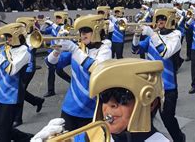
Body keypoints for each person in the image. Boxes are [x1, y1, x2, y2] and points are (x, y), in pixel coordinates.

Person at [31, 58, 168, 142]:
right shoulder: (91, 135)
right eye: (104, 96)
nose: (110, 104)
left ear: (150, 103)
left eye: (122, 97)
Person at [46, 14, 112, 131]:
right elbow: (52, 63)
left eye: (86, 30)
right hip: (70, 107)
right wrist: (56, 50)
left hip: (91, 109)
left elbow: (97, 69)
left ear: (97, 30)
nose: (82, 34)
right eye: (81, 31)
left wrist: (74, 49)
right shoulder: (78, 48)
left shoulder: (104, 49)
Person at [132, 9, 186, 142]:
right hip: (150, 86)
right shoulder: (153, 35)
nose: (160, 21)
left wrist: (151, 34)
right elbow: (136, 49)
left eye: (163, 18)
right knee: (145, 120)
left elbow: (165, 53)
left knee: (167, 119)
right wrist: (137, 36)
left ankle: (179, 139)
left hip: (168, 87)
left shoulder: (176, 35)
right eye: (158, 19)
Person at [0, 23, 33, 142]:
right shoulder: (5, 49)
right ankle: (28, 138)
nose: (7, 39)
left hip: (12, 96)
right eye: (6, 37)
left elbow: (11, 70)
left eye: (9, 36)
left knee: (3, 135)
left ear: (18, 36)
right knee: (2, 130)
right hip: (1, 94)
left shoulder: (25, 52)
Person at [13, 17, 45, 127]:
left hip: (28, 68)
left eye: (21, 25)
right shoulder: (21, 36)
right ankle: (37, 101)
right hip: (20, 67)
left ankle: (18, 118)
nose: (18, 28)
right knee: (20, 90)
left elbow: (27, 48)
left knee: (19, 92)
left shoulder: (33, 36)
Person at [42, 11, 72, 97]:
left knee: (57, 70)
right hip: (53, 52)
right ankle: (51, 90)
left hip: (63, 52)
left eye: (59, 18)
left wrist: (51, 23)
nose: (57, 19)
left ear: (64, 18)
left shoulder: (68, 27)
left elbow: (63, 32)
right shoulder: (52, 28)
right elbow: (42, 31)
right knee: (55, 70)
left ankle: (72, 82)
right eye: (56, 18)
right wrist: (45, 23)